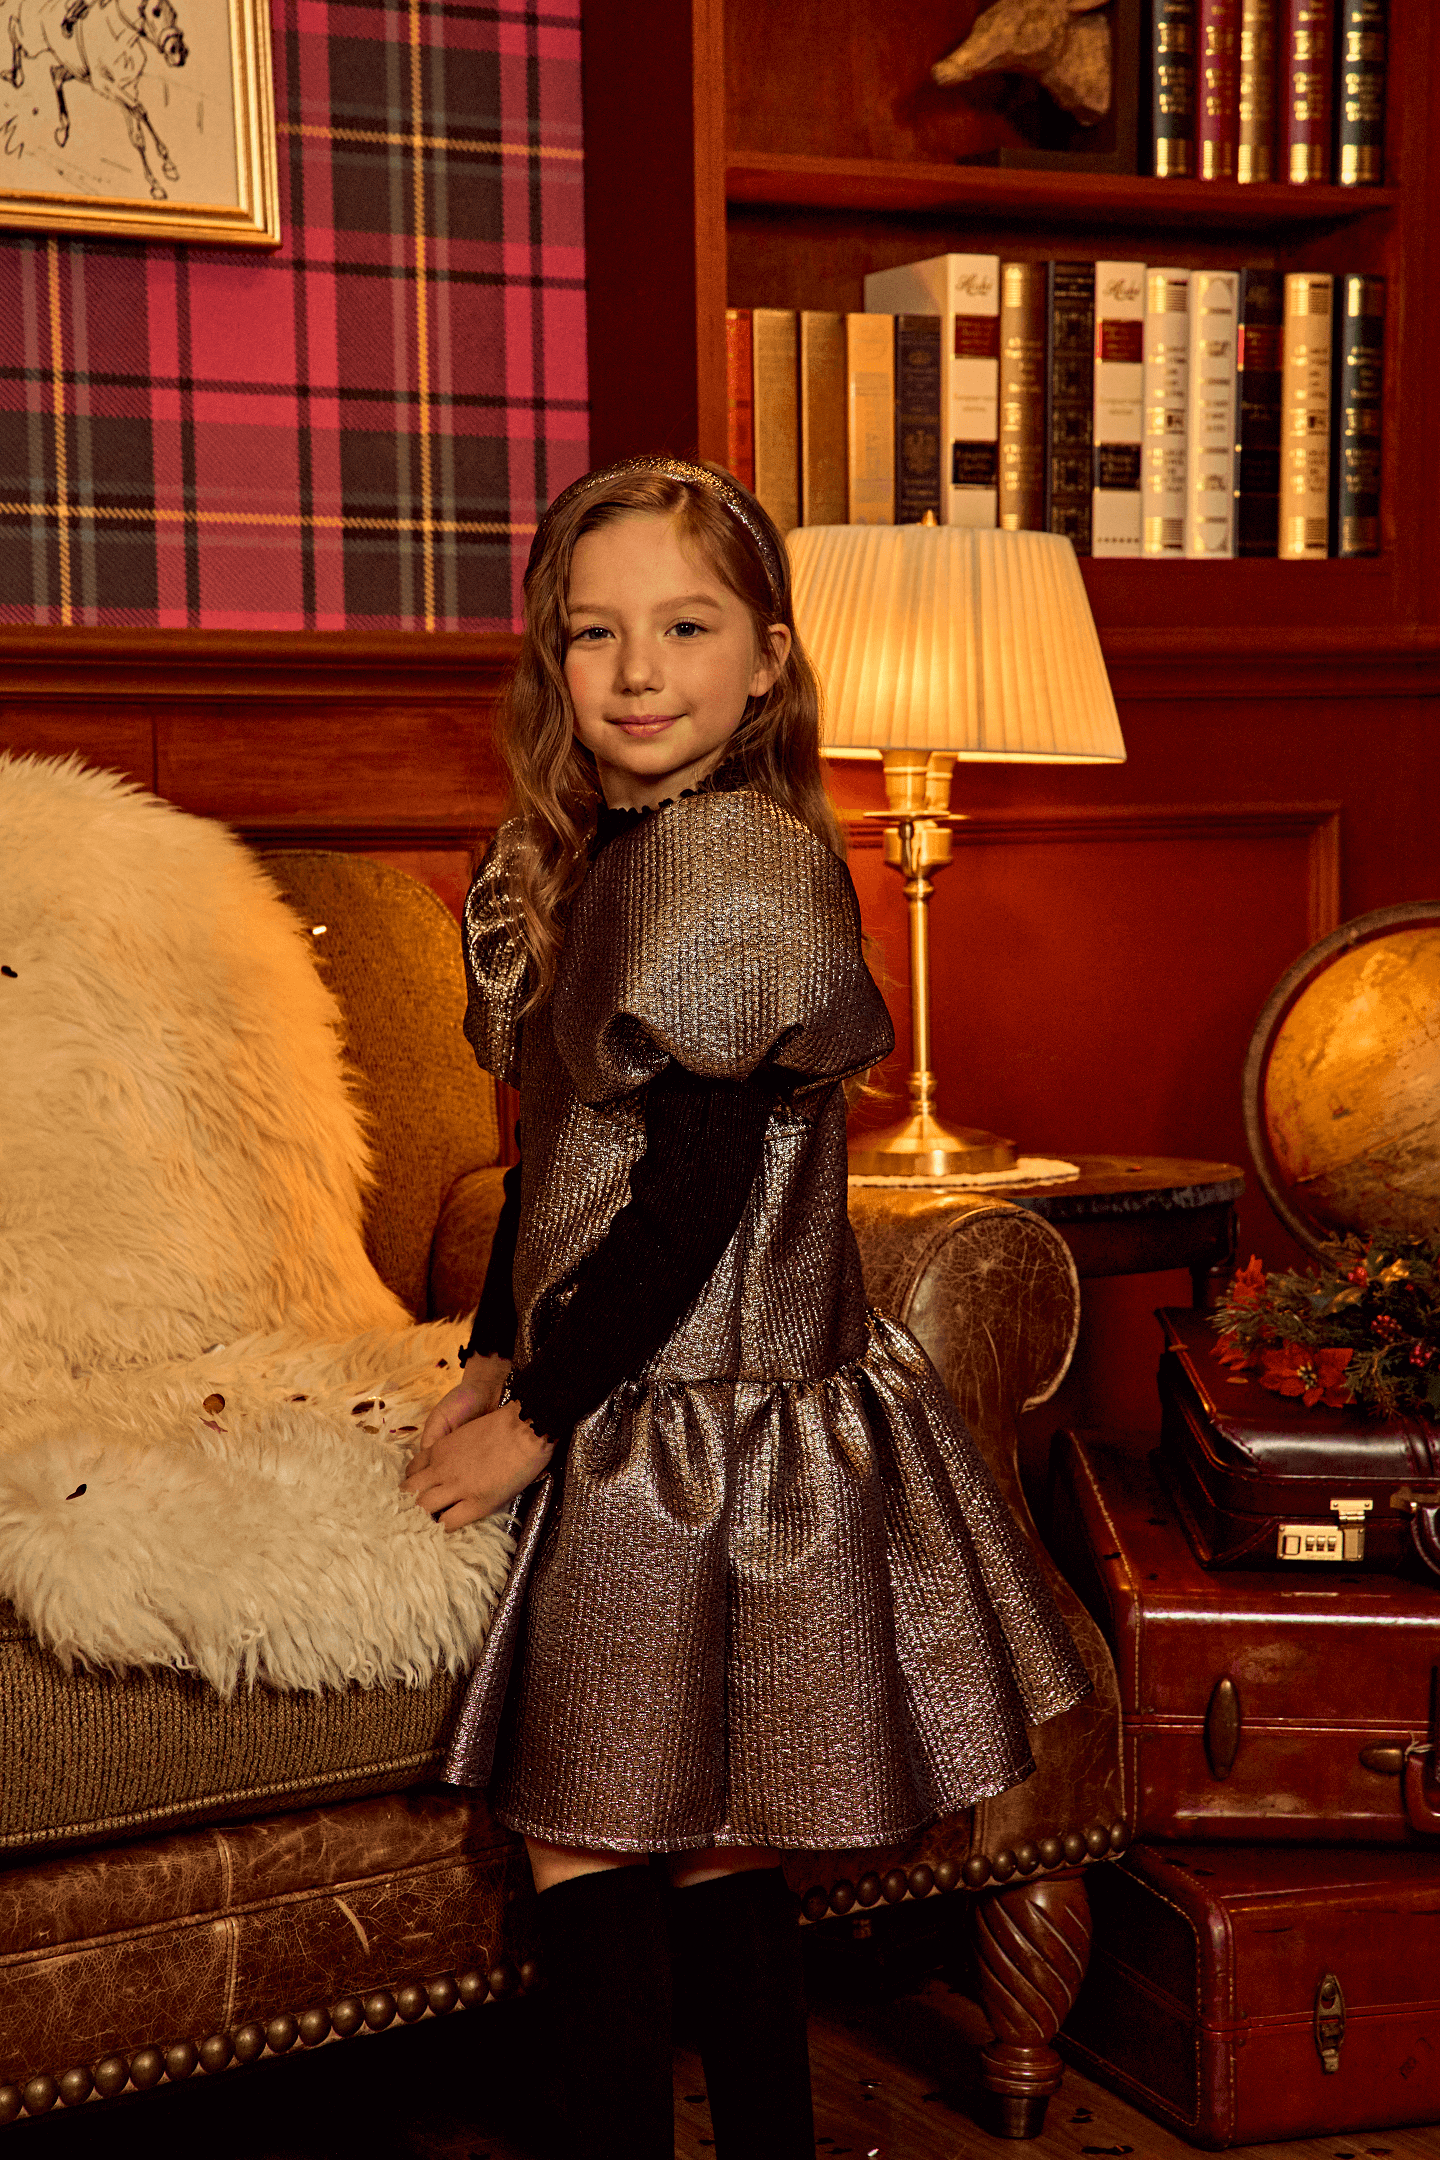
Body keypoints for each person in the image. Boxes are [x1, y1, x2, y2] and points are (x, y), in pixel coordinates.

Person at [402, 455, 1090, 2160]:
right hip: (638, 1394)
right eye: (594, 632)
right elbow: (554, 1152)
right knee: (717, 1837)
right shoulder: (583, 857)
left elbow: (692, 1200)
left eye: (687, 626)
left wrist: (534, 1420)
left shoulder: (735, 868)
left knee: (585, 1829)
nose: (637, 671)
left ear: (770, 655)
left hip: (693, 1426)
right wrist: (493, 1347)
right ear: (552, 657)